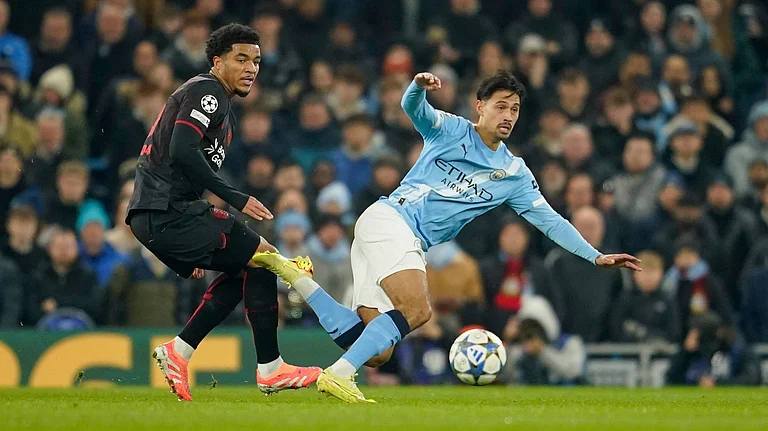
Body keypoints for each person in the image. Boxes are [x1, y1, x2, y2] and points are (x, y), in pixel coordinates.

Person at [252, 70, 640, 403]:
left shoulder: (515, 174)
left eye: (515, 109)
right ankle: (338, 374)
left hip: (391, 234)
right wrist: (418, 86)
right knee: (418, 311)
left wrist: (594, 255)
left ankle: (294, 276)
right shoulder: (451, 129)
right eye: (501, 106)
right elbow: (413, 109)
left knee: (376, 352)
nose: (508, 115)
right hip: (392, 220)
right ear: (480, 107)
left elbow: (550, 221)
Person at [125, 24, 320, 402]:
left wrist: (196, 241)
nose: (251, 68)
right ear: (218, 62)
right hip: (166, 210)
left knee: (244, 268)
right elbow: (182, 151)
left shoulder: (221, 108)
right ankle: (271, 369)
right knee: (262, 256)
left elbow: (179, 161)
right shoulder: (207, 90)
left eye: (257, 61)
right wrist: (235, 197)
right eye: (241, 59)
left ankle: (180, 352)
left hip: (162, 214)